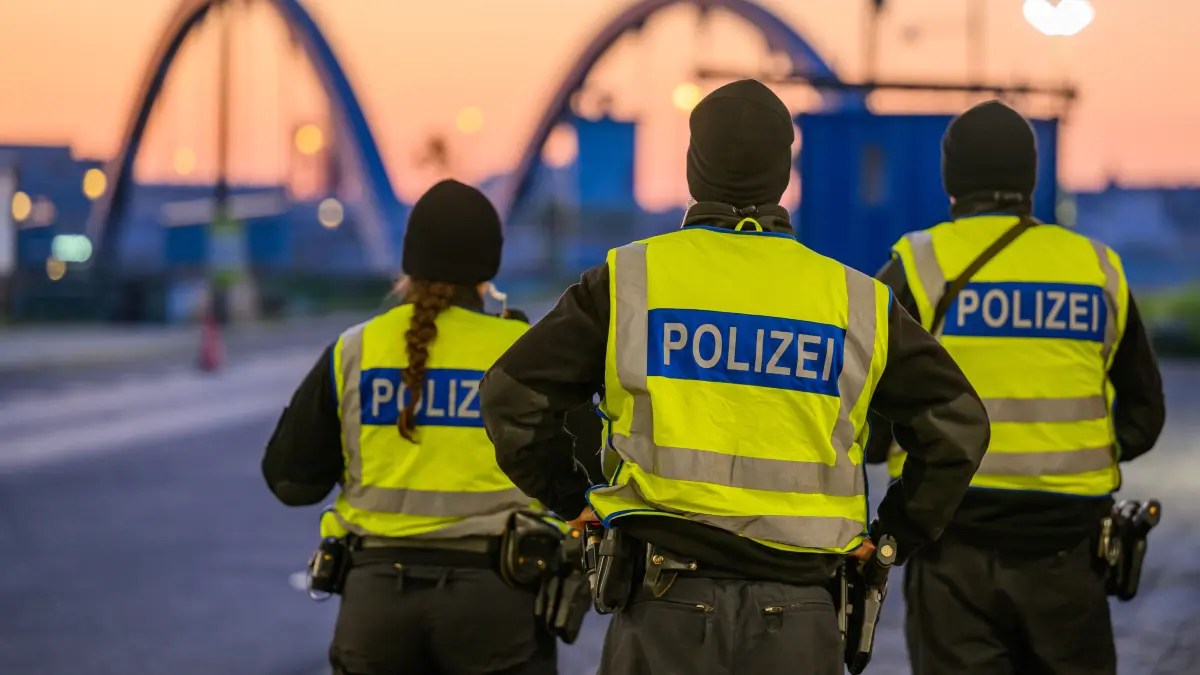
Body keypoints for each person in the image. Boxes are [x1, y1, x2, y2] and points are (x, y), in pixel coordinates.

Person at [479, 79, 991, 675]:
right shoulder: (855, 301)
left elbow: (511, 397)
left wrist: (575, 500)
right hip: (801, 618)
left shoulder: (631, 281)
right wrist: (897, 532)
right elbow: (958, 427)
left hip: (662, 610)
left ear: (695, 170)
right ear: (783, 175)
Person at [866, 100, 1167, 675]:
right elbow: (1145, 415)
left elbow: (868, 400)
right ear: (1031, 175)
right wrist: (1082, 455)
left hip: (952, 543)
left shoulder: (920, 264)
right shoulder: (1096, 268)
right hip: (1069, 553)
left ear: (951, 178)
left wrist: (888, 457)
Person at [262, 179, 582, 675]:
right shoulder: (522, 349)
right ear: (488, 269)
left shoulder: (356, 350)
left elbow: (290, 481)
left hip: (376, 602)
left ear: (407, 265)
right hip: (495, 599)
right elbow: (584, 469)